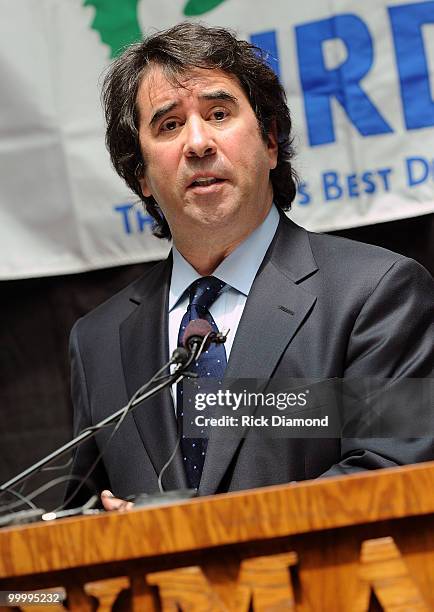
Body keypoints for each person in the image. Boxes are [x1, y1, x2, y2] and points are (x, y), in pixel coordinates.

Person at [66, 22, 434, 512]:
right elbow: (80, 514)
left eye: (219, 114)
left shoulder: (375, 294)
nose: (198, 144)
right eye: (169, 125)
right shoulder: (98, 341)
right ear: (142, 176)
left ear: (270, 141)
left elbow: (389, 474)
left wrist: (195, 531)